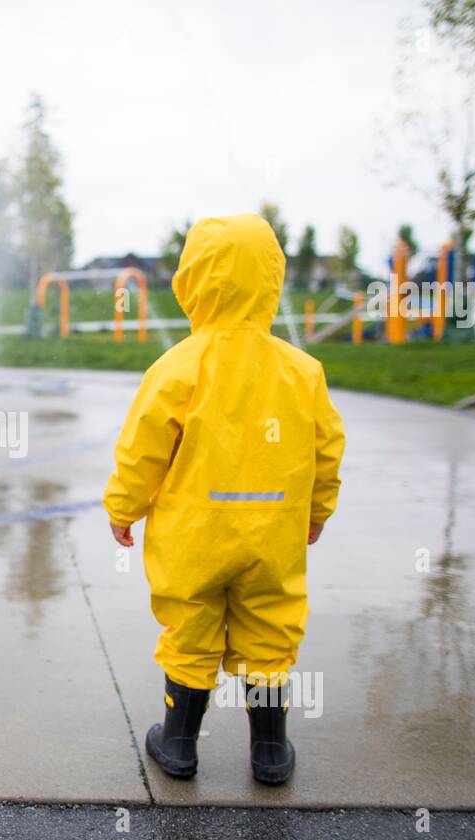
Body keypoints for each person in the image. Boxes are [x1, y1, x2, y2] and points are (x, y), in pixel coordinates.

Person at [104, 214, 346, 785]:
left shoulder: (177, 367)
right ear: (271, 280)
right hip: (273, 535)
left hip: (195, 537)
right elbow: (327, 449)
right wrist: (316, 511)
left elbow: (143, 448)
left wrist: (123, 507)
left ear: (193, 280)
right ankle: (270, 751)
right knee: (270, 631)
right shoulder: (301, 371)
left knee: (190, 630)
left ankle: (180, 743)